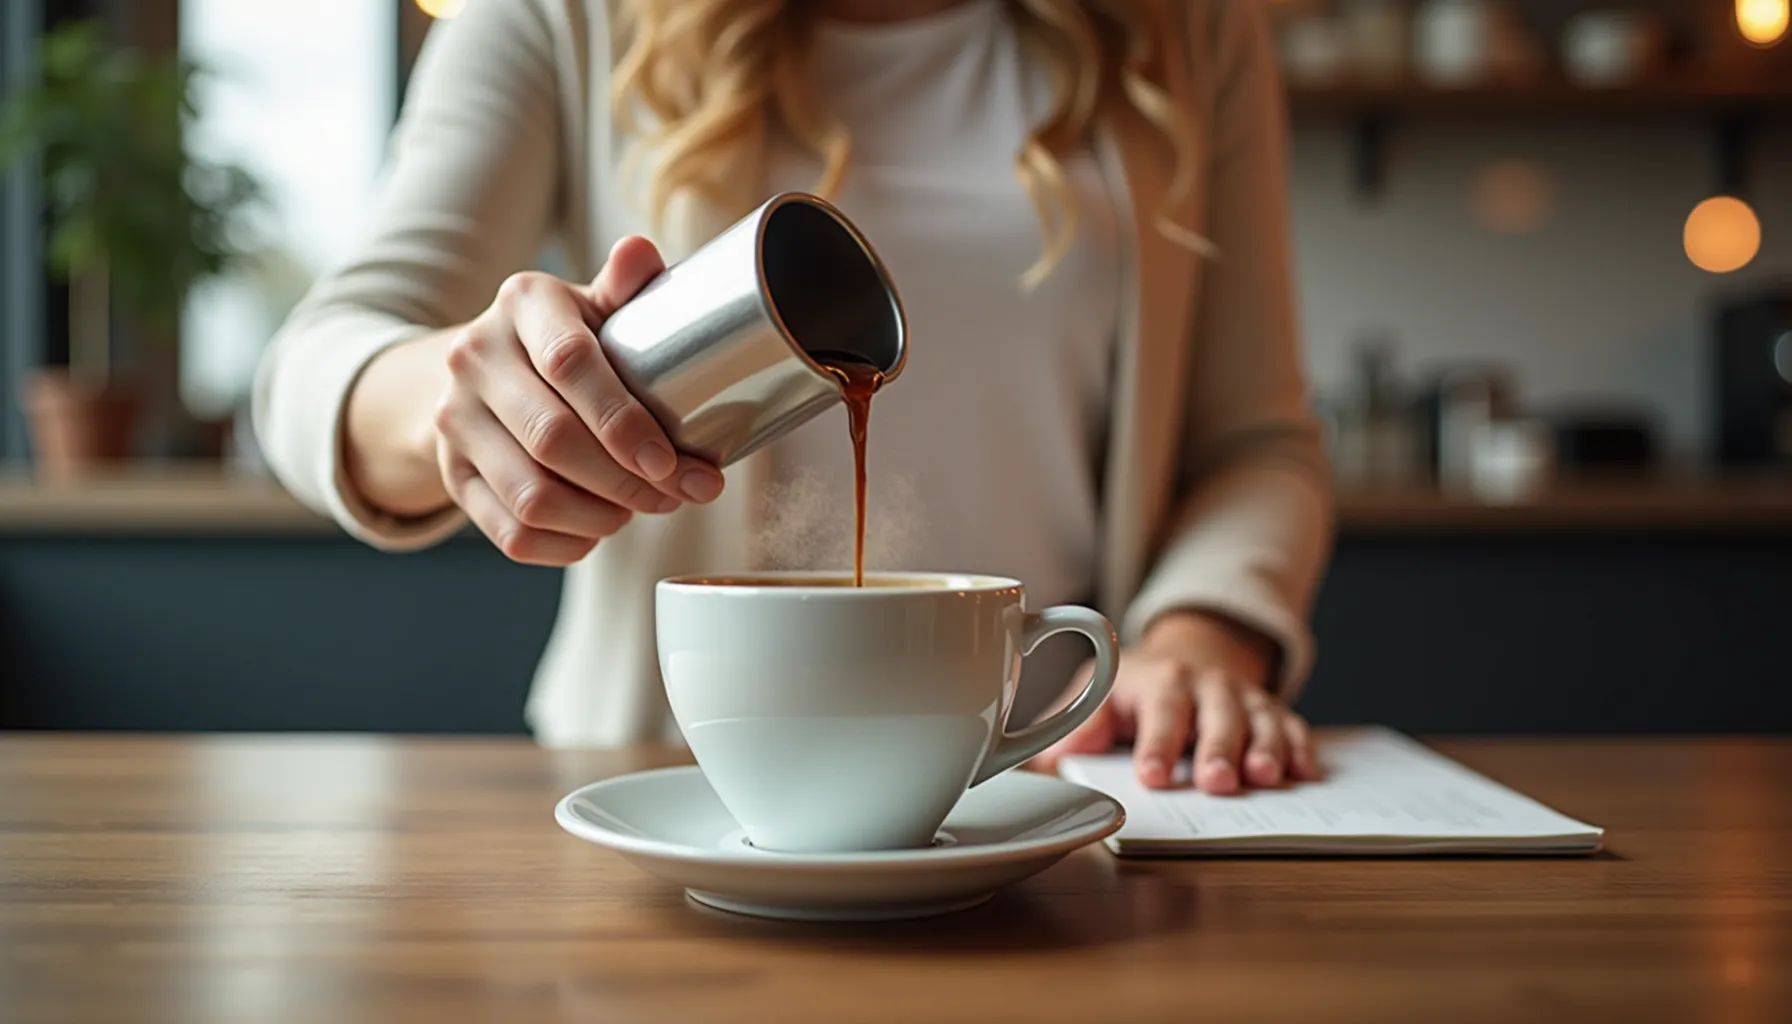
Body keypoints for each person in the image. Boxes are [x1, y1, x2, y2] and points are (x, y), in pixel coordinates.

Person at [254, 0, 1334, 794]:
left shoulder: (1187, 31)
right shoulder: (564, 17)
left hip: (1053, 781)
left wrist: (1196, 636)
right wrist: (469, 401)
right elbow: (313, 366)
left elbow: (1257, 444)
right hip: (664, 795)